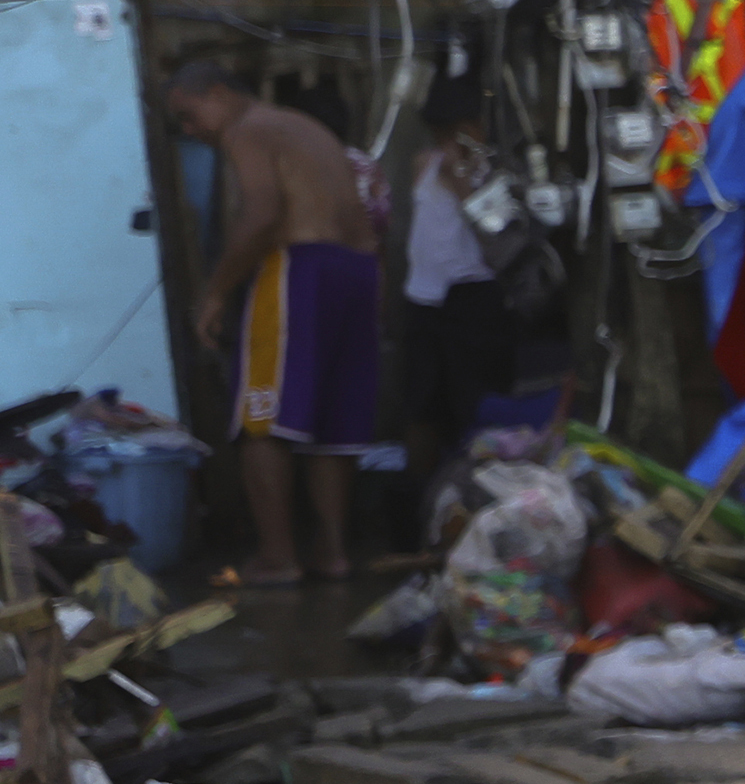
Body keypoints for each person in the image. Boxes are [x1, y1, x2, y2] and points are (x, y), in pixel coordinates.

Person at [168, 54, 384, 586]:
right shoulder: (301, 126)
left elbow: (262, 213)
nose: (191, 133)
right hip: (357, 272)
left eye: (190, 117)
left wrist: (216, 292)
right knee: (333, 425)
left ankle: (276, 556)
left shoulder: (248, 128)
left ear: (218, 93)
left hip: (300, 269)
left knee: (261, 419)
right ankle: (331, 553)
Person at [392, 77, 539, 484]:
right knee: (421, 406)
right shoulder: (425, 164)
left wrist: (463, 183)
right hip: (425, 298)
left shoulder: (496, 172)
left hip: (476, 297)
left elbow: (499, 244)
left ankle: (477, 485)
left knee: (476, 403)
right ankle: (423, 496)